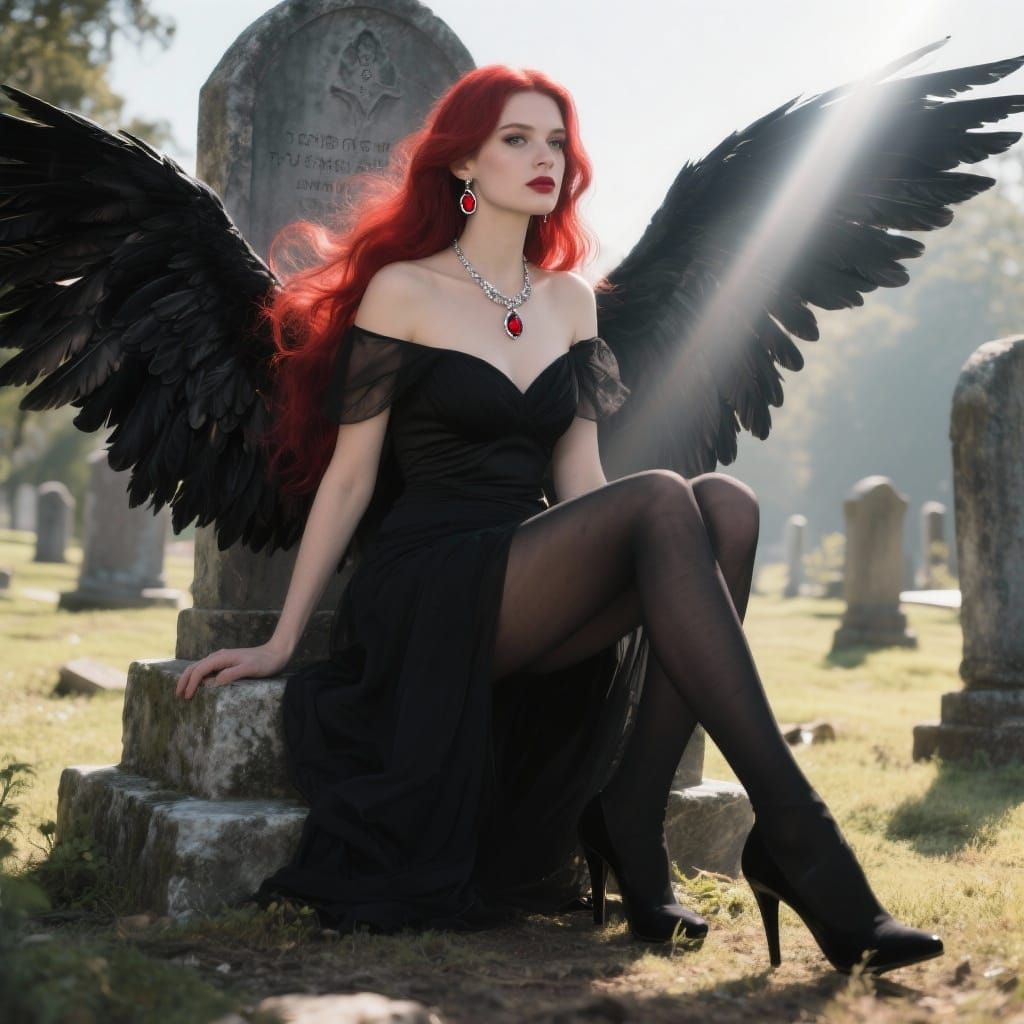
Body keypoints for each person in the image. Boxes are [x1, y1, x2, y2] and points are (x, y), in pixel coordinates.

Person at [173, 66, 943, 974]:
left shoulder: (570, 300)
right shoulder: (403, 292)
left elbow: (580, 473)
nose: (546, 158)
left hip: (529, 564)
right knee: (666, 496)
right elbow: (348, 480)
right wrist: (282, 640)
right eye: (516, 139)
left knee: (721, 506)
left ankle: (633, 818)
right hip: (430, 580)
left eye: (556, 141)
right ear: (463, 161)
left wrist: (640, 556)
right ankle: (802, 842)